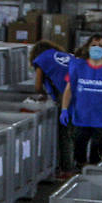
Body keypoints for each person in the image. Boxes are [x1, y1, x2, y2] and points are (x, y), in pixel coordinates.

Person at [61, 34, 102, 167]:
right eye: (94, 45)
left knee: (98, 149)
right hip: (82, 116)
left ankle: (93, 172)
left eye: (100, 46)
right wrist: (64, 109)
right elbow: (69, 90)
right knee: (79, 146)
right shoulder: (78, 67)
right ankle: (80, 168)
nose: (97, 48)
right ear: (88, 47)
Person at [32, 39, 77, 175]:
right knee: (74, 132)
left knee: (64, 134)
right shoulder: (65, 55)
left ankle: (66, 170)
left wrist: (43, 94)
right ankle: (75, 163)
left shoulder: (41, 59)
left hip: (67, 96)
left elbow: (38, 86)